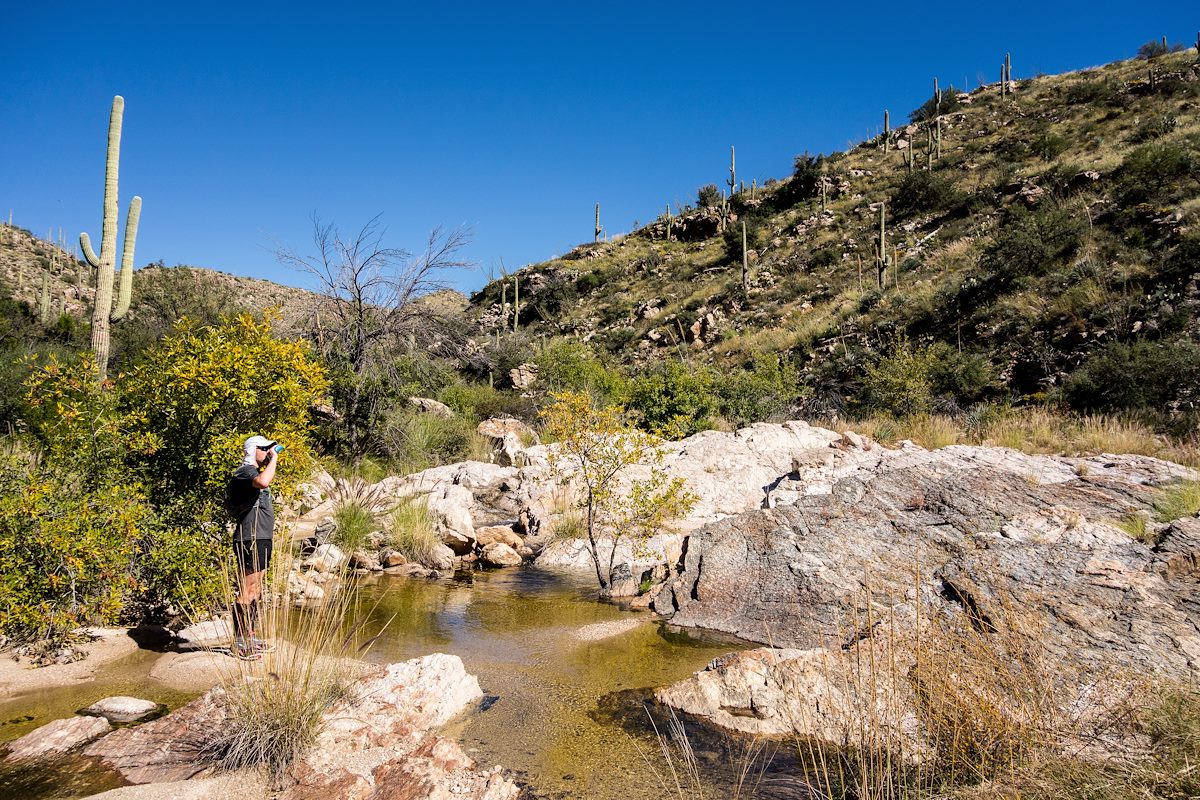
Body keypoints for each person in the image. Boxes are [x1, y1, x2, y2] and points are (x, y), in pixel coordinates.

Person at [226, 435, 281, 660]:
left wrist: (269, 459)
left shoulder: (253, 472)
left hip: (262, 537)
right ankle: (239, 643)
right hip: (250, 537)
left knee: (256, 590)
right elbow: (263, 482)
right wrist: (274, 459)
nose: (268, 452)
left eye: (270, 449)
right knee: (247, 589)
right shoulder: (245, 471)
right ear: (253, 450)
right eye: (264, 448)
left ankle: (251, 637)